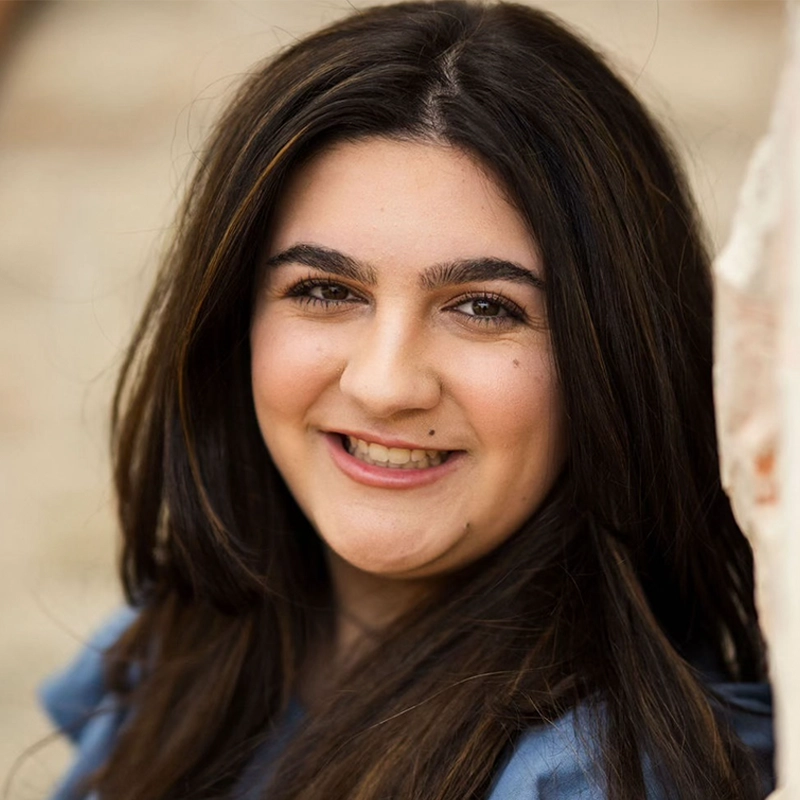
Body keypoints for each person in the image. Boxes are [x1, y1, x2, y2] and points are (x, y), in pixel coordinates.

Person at [40, 1, 774, 798]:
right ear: (232, 324)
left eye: (485, 307)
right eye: (325, 290)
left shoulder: (596, 777)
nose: (385, 385)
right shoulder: (179, 655)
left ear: (612, 356)